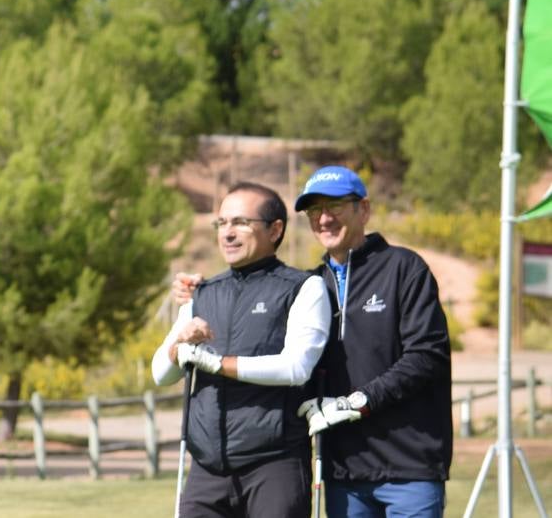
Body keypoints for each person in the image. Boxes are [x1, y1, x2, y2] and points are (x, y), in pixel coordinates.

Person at [173, 166, 453, 518]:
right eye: (314, 210)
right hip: (342, 469)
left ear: (363, 209)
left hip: (409, 464)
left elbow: (427, 357)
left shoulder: (404, 269)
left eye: (334, 206)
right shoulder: (310, 284)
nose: (324, 218)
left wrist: (360, 401)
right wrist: (203, 291)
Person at [152, 181, 331, 518]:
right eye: (222, 223)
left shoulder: (304, 288)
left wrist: (216, 363)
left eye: (241, 223)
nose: (228, 233)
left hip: (273, 464)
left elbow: (296, 368)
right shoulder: (202, 293)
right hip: (206, 467)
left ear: (275, 229)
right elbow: (160, 373)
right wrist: (179, 346)